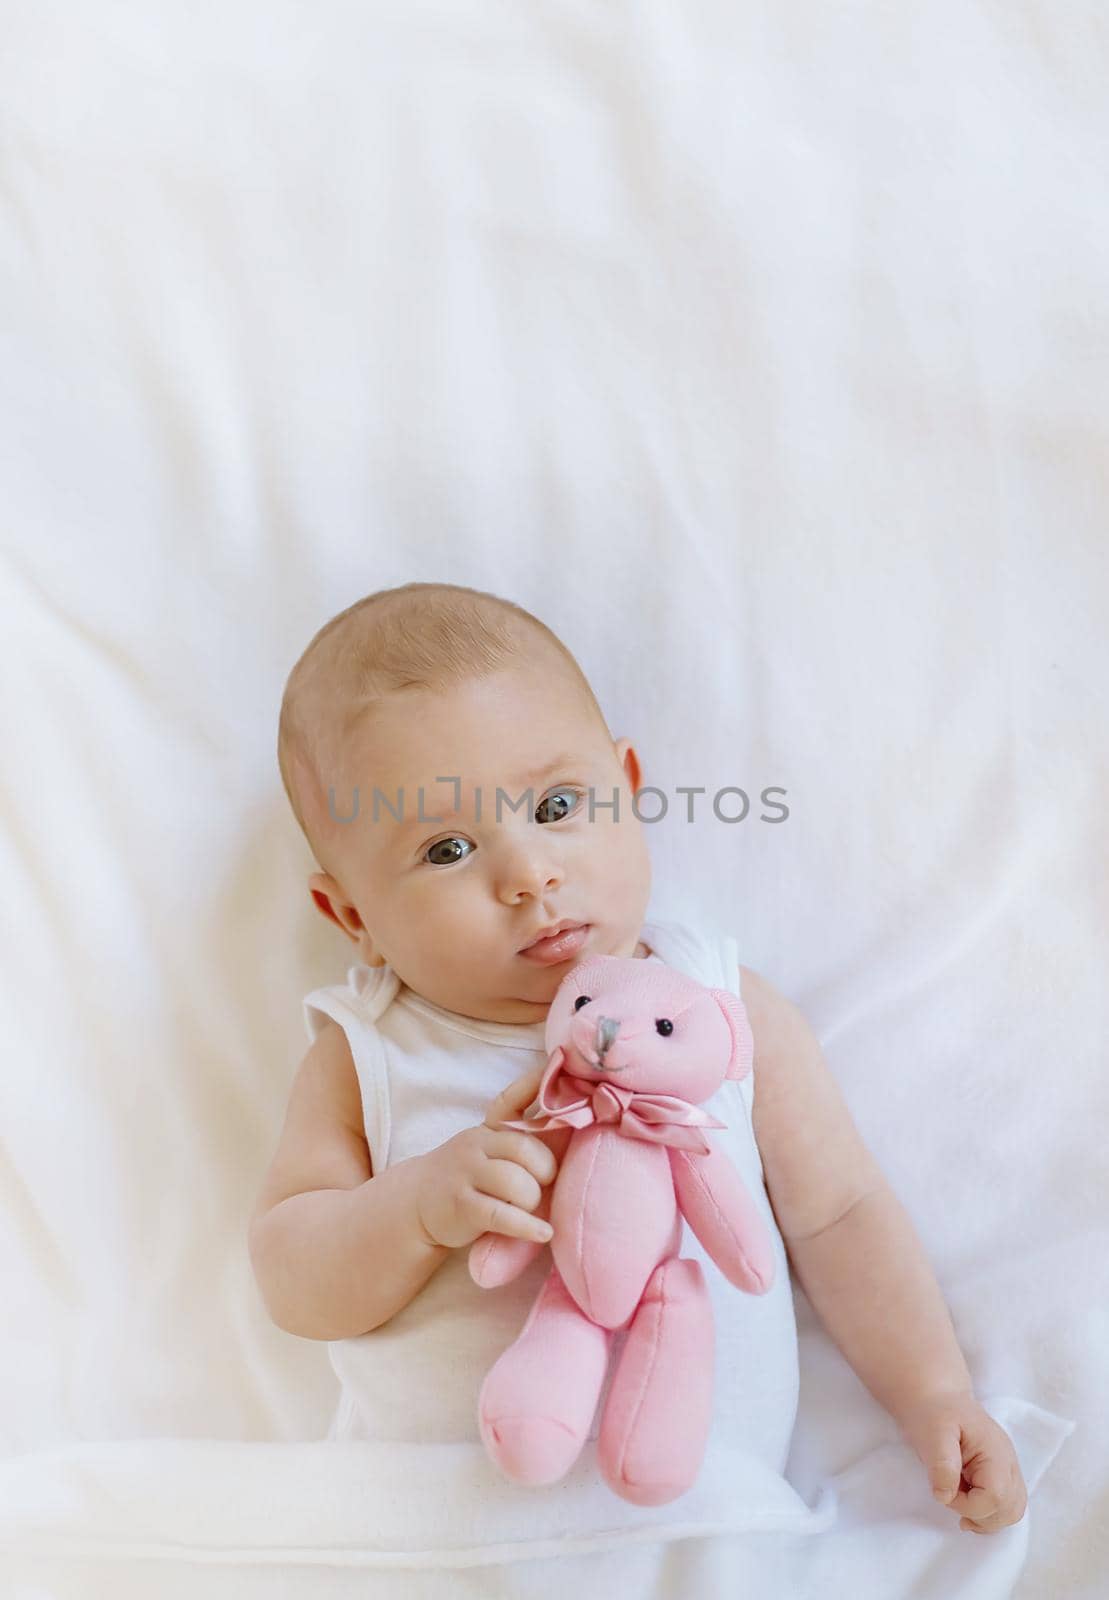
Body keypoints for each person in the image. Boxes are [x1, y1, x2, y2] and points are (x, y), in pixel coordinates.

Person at [248, 581, 1026, 1593]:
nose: (529, 872)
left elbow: (836, 1212)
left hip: (706, 1532)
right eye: (445, 848)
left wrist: (932, 1391)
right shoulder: (370, 1052)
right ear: (348, 913)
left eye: (557, 806)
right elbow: (291, 1275)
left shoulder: (714, 1001)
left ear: (625, 781)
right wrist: (414, 1206)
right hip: (426, 1542)